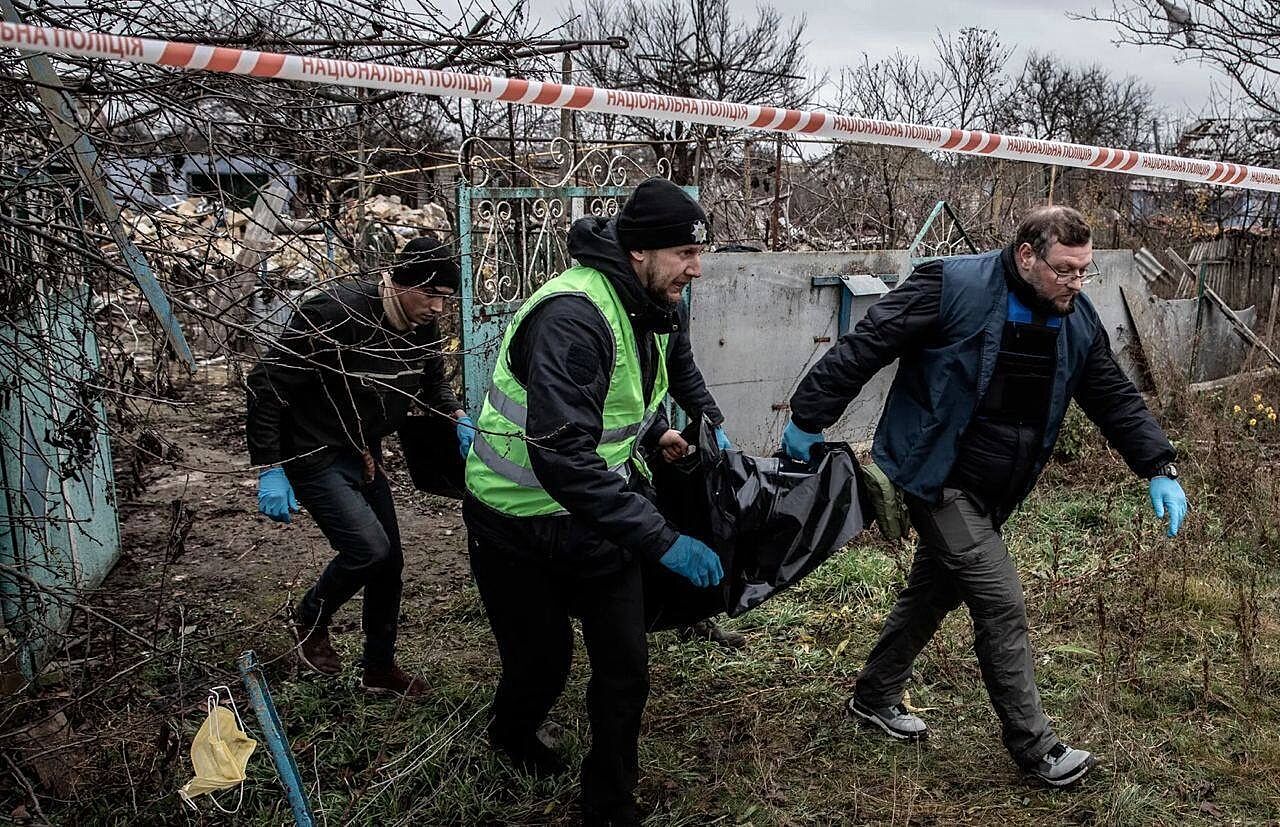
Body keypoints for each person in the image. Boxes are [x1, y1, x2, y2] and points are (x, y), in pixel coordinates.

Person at [782, 205, 1188, 788]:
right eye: (1065, 270)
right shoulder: (952, 287)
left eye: (1085, 270)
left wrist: (1157, 464)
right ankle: (1036, 748)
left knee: (935, 590)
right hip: (936, 476)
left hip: (997, 489)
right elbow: (868, 343)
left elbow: (1112, 393)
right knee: (1000, 602)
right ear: (1026, 255)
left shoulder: (1074, 316)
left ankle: (873, 695)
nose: (1077, 282)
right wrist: (808, 415)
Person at [463, 177, 731, 826]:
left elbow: (648, 381)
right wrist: (663, 538)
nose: (696, 269)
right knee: (541, 664)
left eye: (699, 253)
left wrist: (673, 426)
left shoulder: (653, 301)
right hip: (516, 522)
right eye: (685, 253)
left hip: (597, 519)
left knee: (625, 669)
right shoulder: (573, 317)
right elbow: (562, 455)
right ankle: (511, 734)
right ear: (639, 251)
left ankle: (609, 803)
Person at [246, 235, 474, 696]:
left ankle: (379, 669)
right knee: (369, 550)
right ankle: (310, 617)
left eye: (446, 299)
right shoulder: (336, 313)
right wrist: (269, 465)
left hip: (361, 452)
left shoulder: (420, 326)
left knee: (390, 562)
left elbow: (431, 381)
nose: (437, 308)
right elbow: (266, 382)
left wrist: (455, 414)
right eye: (431, 295)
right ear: (401, 282)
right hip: (311, 451)